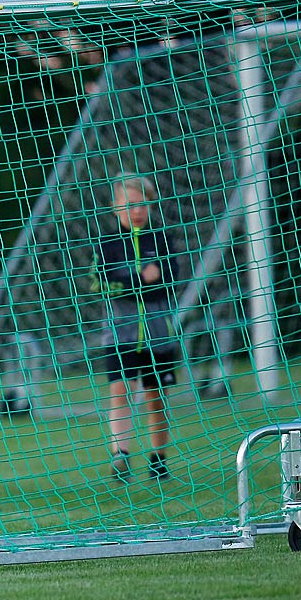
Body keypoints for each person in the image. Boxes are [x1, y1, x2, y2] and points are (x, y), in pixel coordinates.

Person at [90, 175, 178, 482]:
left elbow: (169, 280)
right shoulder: (107, 244)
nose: (136, 210)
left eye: (142, 203)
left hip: (158, 334)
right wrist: (139, 278)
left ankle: (158, 459)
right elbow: (100, 283)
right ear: (116, 207)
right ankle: (120, 455)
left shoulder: (161, 240)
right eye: (129, 204)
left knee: (156, 397)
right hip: (120, 333)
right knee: (120, 390)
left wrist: (143, 281)